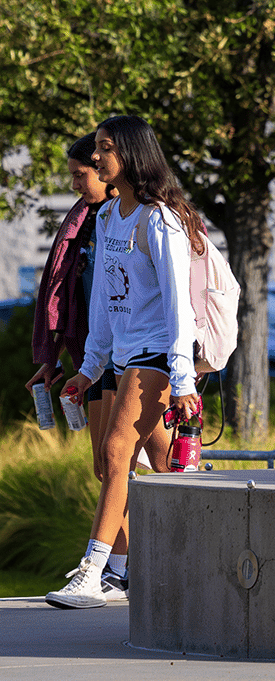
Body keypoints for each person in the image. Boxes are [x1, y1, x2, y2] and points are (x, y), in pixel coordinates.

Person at [45, 115, 203, 609]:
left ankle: (96, 572)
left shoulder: (160, 219)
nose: (96, 158)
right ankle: (195, 558)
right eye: (96, 148)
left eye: (106, 148)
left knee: (116, 454)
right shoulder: (110, 216)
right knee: (162, 465)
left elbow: (179, 305)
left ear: (131, 154)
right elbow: (105, 304)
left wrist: (182, 380)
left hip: (157, 353)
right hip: (122, 355)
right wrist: (90, 367)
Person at [25, 133, 155, 601]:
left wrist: (185, 369)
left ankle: (120, 566)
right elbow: (79, 298)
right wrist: (55, 357)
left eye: (85, 170)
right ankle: (121, 569)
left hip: (145, 356)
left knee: (136, 459)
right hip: (98, 355)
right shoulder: (93, 221)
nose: (84, 177)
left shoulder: (148, 219)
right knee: (115, 462)